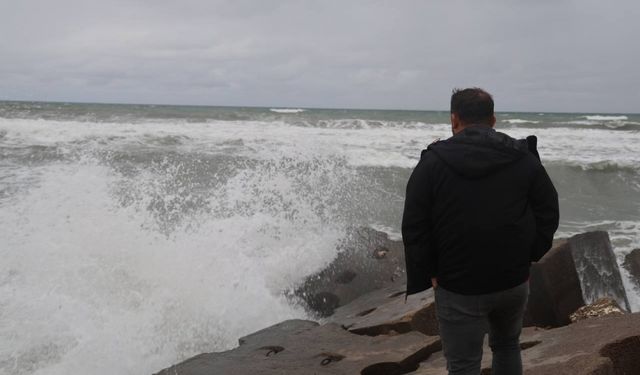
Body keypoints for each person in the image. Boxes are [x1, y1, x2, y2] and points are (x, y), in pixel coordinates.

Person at [401, 88, 559, 375]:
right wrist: (531, 253)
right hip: (512, 280)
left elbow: (414, 225)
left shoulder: (433, 162)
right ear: (493, 119)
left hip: (457, 285)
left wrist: (430, 271)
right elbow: (548, 211)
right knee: (508, 346)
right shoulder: (522, 157)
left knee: (464, 364)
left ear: (454, 119)